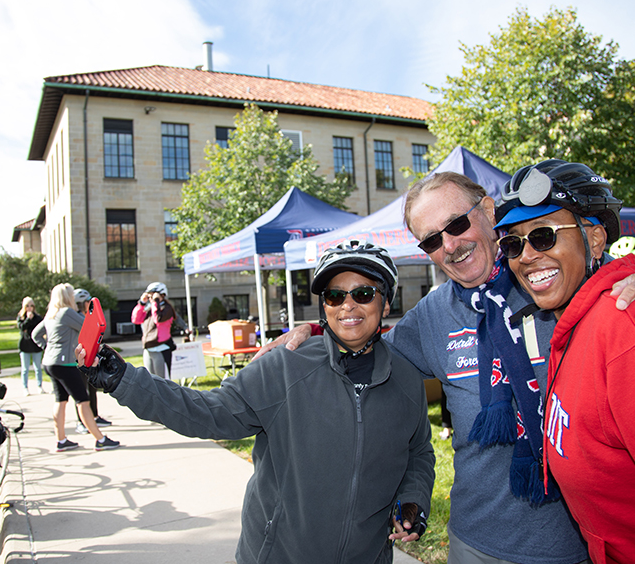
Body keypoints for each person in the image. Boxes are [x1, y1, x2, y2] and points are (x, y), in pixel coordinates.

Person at [255, 171, 635, 564]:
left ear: (487, 211)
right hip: (475, 541)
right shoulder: (433, 316)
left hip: (575, 546)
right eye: (433, 240)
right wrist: (320, 328)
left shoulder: (557, 278)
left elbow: (602, 268)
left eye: (456, 224)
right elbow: (370, 350)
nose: (450, 246)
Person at [77, 241, 435, 564]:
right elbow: (207, 414)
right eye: (334, 296)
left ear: (386, 301)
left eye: (364, 293)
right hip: (278, 555)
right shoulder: (285, 366)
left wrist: (414, 499)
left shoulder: (404, 378)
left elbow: (418, 452)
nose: (348, 306)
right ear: (323, 305)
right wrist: (124, 379)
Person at [493, 159, 633, 563]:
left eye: (543, 236)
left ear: (594, 238)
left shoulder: (621, 327)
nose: (526, 257)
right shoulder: (574, 324)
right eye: (513, 244)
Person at [31, 283, 119, 452]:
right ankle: (100, 439)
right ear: (68, 297)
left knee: (61, 400)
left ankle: (61, 440)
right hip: (65, 363)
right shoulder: (66, 312)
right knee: (83, 401)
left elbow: (35, 334)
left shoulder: (52, 314)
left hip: (50, 362)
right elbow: (89, 327)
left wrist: (48, 347)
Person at [72, 288, 111, 435]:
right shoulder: (75, 316)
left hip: (90, 357)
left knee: (92, 387)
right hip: (78, 359)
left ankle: (94, 415)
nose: (90, 304)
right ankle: (81, 422)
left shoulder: (84, 315)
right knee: (81, 392)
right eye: (87, 301)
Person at [131, 282, 179, 379]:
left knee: (163, 381)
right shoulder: (150, 308)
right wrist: (142, 303)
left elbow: (158, 319)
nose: (151, 298)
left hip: (161, 348)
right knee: (151, 380)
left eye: (153, 295)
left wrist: (155, 301)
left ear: (162, 295)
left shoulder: (166, 308)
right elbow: (136, 320)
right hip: (148, 348)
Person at [16, 296, 46, 396]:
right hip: (25, 346)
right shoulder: (21, 317)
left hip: (36, 346)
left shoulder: (37, 318)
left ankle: (39, 386)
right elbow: (22, 328)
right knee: (25, 369)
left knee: (37, 367)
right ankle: (25, 387)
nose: (29, 308)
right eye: (27, 306)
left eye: (31, 306)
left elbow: (40, 329)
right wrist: (28, 319)